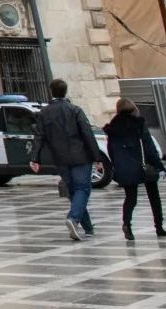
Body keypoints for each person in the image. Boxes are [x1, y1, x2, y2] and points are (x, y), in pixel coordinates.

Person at [29, 78, 105, 241]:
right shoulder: (75, 109)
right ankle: (73, 218)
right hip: (80, 156)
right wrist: (97, 157)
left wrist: (35, 158)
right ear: (65, 91)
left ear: (51, 91)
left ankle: (88, 227)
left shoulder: (44, 113)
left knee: (74, 191)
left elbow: (39, 136)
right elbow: (87, 133)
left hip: (60, 157)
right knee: (82, 189)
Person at [104, 97, 166, 241]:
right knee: (154, 197)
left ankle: (127, 224)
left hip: (125, 168)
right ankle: (159, 227)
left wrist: (117, 166)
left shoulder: (113, 127)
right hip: (144, 166)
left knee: (130, 198)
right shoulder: (138, 123)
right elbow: (148, 146)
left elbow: (111, 150)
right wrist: (159, 166)